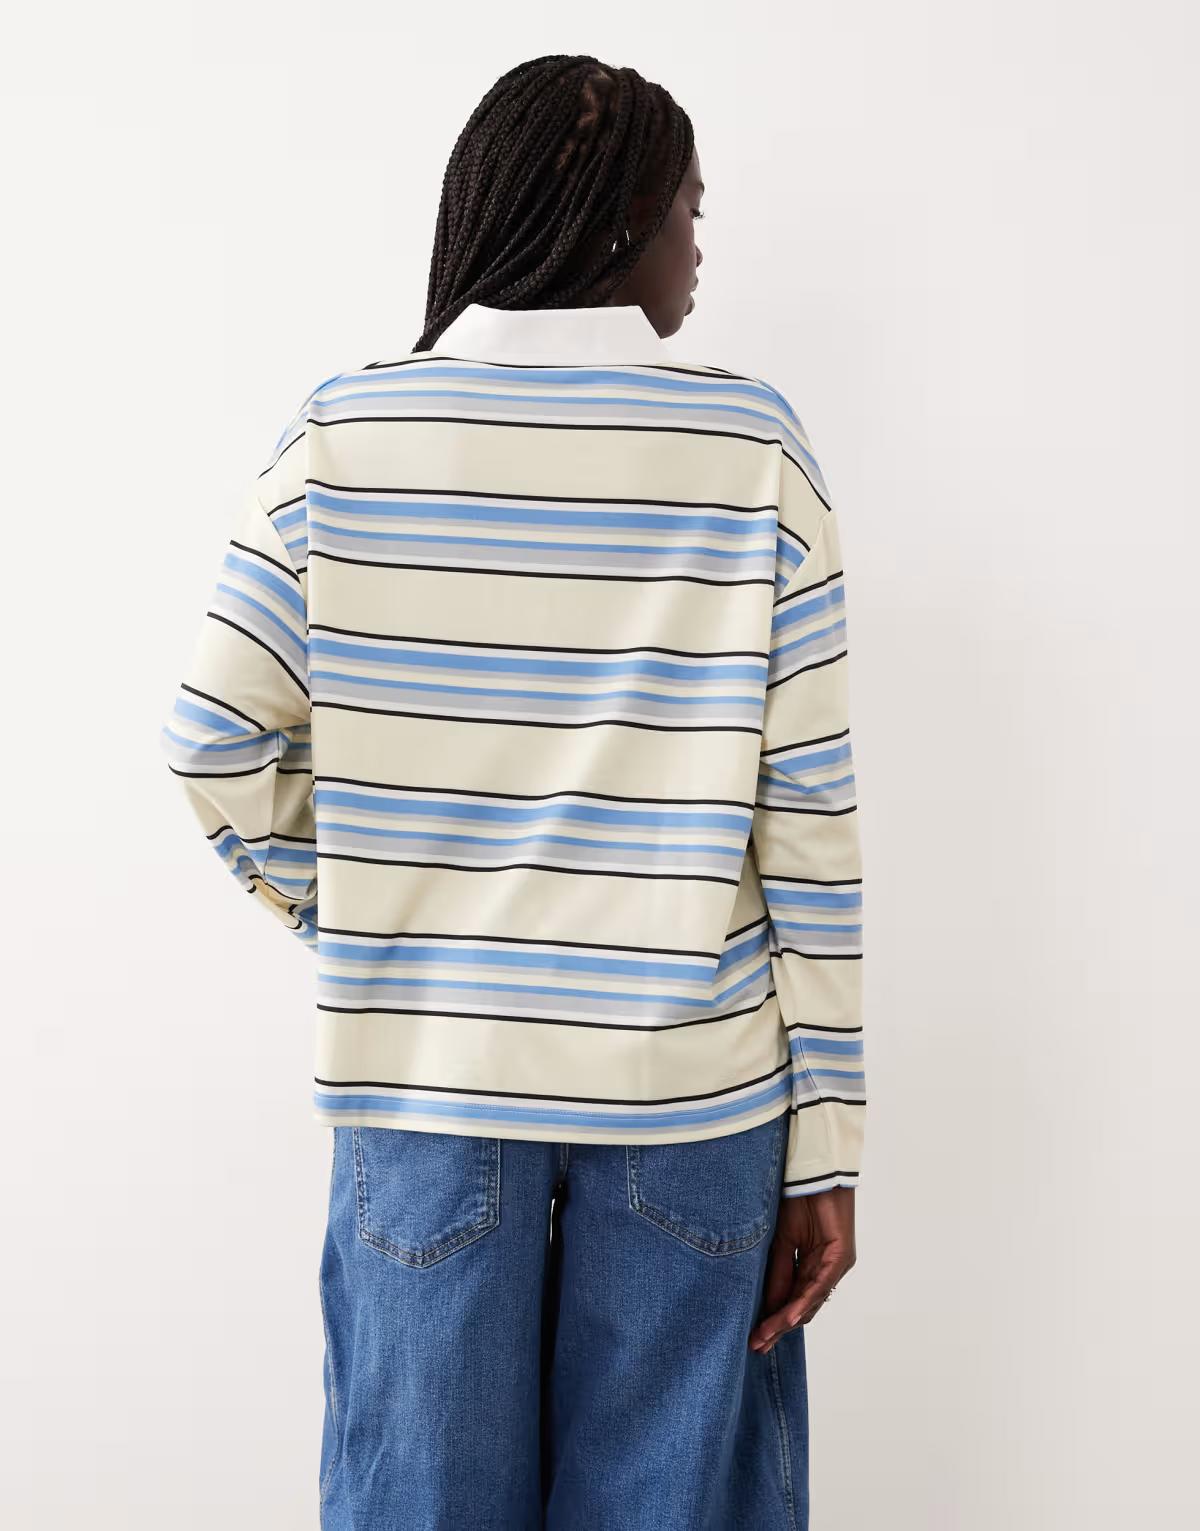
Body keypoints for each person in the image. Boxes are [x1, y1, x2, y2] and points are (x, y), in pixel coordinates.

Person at [160, 52, 865, 1531]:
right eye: (689, 208)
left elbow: (214, 739)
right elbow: (807, 825)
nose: (699, 247)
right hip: (693, 1098)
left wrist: (374, 917)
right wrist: (830, 1142)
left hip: (430, 1082)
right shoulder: (752, 447)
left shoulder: (342, 435)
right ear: (618, 219)